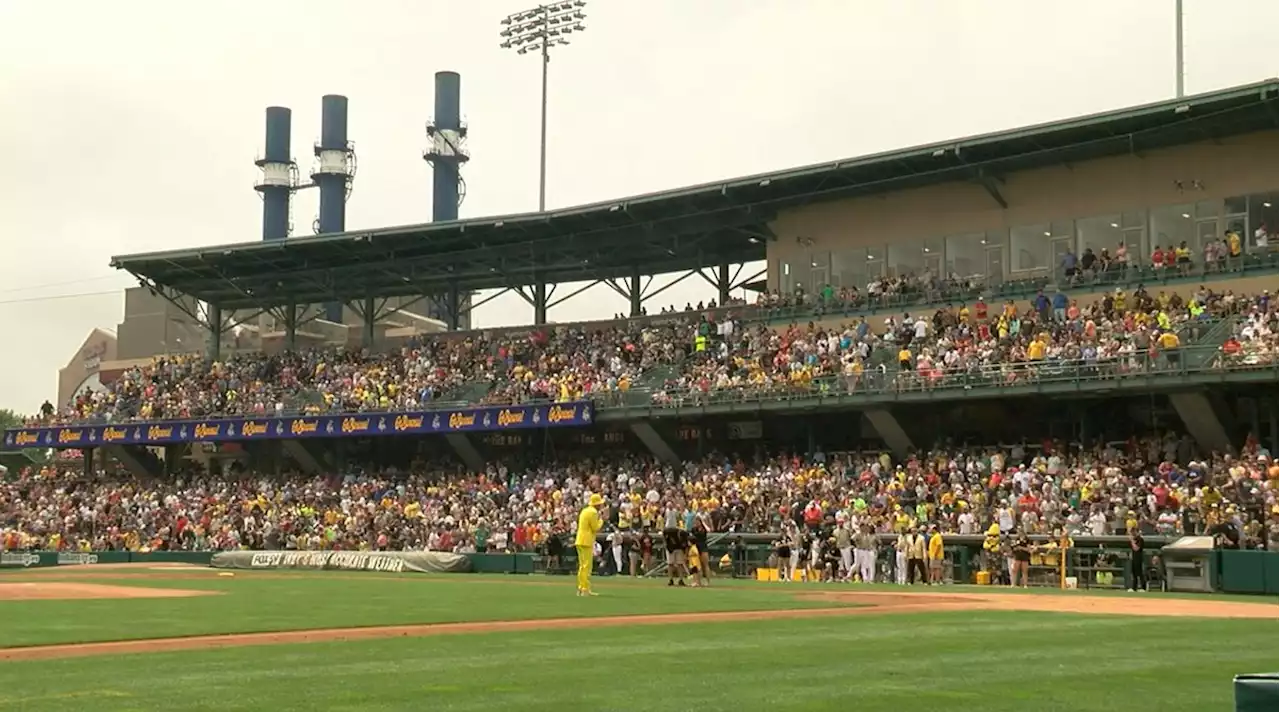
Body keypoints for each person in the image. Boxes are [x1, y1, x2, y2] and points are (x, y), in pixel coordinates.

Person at [575, 493, 606, 597]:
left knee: (582, 566)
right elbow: (595, 527)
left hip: (580, 539)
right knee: (587, 566)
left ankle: (581, 587)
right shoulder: (593, 512)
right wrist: (602, 520)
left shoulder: (585, 510)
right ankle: (585, 589)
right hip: (586, 540)